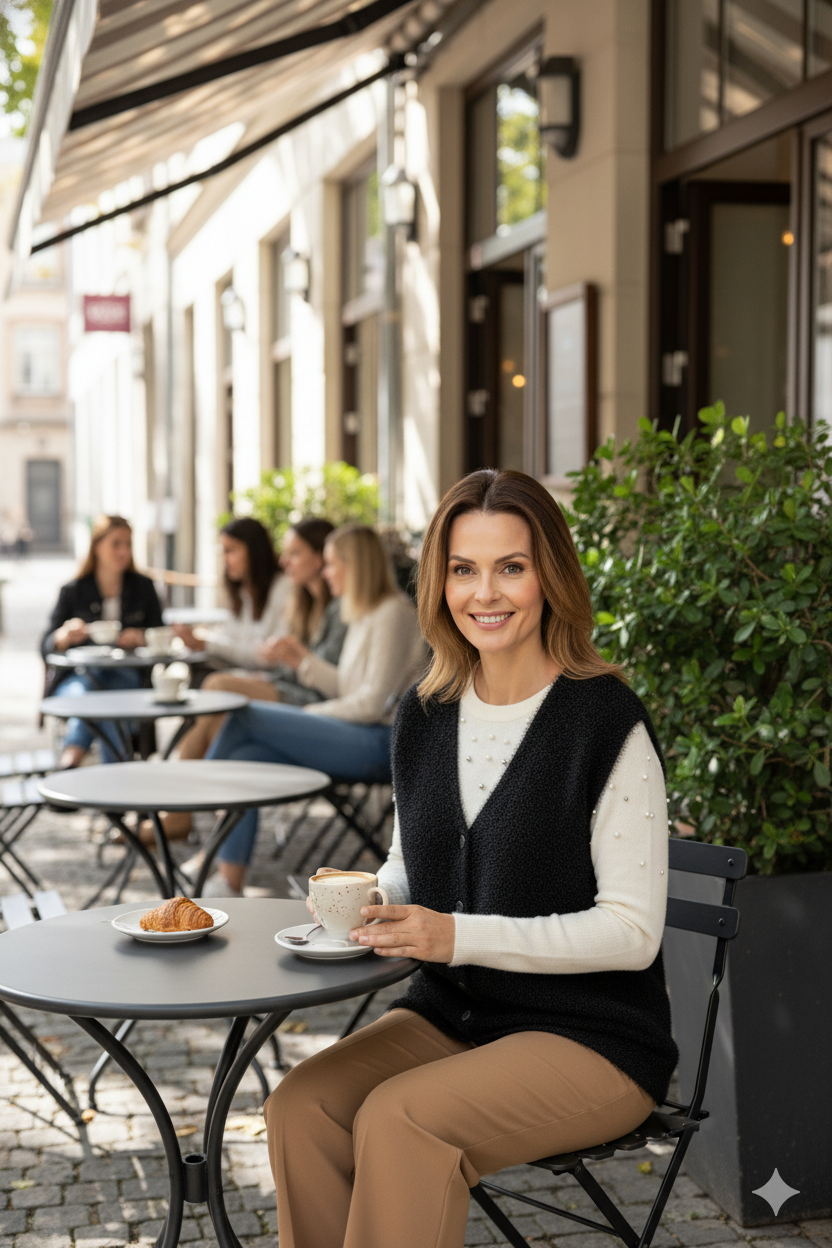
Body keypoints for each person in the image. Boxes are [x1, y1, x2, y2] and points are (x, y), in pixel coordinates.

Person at [263, 469, 678, 1248]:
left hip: (591, 1038)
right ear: (438, 581)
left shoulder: (603, 720)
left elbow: (632, 932)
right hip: (452, 1015)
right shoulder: (424, 711)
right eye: (463, 568)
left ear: (549, 574)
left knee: (400, 1119)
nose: (485, 593)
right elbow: (405, 865)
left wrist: (456, 935)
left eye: (510, 567)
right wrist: (362, 908)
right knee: (301, 1107)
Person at [200, 524, 426, 897]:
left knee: (244, 715)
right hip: (357, 733)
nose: (325, 573)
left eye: (332, 564)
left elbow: (371, 704)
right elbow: (346, 687)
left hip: (382, 744)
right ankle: (229, 880)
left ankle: (202, 799)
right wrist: (302, 661)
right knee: (247, 754)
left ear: (355, 567)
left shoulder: (392, 614)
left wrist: (309, 716)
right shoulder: (364, 613)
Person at [153, 518, 346, 844]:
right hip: (291, 688)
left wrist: (278, 661)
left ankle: (184, 809)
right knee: (219, 706)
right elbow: (273, 658)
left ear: (320, 558)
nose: (286, 563)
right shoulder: (303, 598)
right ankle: (200, 818)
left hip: (312, 704)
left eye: (295, 554)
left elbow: (279, 659)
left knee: (217, 689)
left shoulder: (319, 602)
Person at [41, 515, 163, 767]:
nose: (124, 551)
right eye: (116, 544)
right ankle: (116, 775)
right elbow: (45, 645)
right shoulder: (73, 590)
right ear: (96, 546)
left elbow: (161, 634)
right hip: (80, 677)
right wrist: (63, 636)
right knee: (98, 696)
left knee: (108, 698)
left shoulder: (144, 588)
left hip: (129, 676)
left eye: (128, 544)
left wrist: (142, 637)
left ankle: (72, 756)